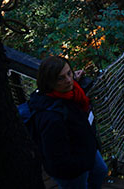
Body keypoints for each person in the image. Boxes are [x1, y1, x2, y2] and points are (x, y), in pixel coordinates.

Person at [28, 56, 107, 189]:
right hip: (73, 170)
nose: (69, 80)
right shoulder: (51, 117)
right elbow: (57, 158)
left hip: (85, 149)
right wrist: (81, 164)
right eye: (61, 78)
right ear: (49, 82)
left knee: (101, 171)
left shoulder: (71, 93)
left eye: (69, 73)